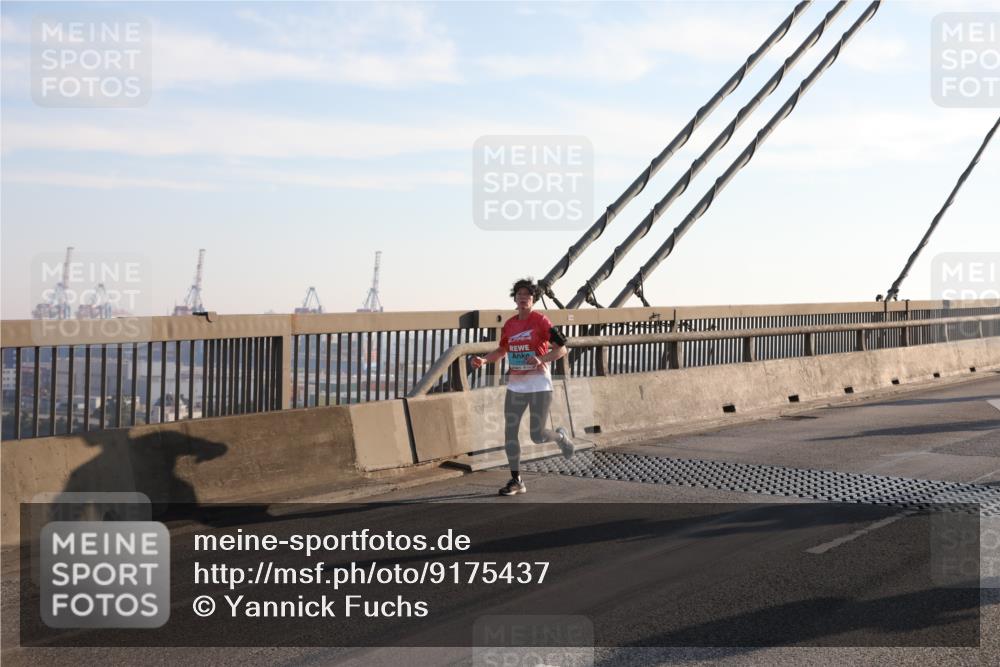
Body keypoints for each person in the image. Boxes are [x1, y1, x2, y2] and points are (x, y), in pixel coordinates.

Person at [471, 278, 575, 496]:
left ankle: (561, 438)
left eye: (527, 294)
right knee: (510, 433)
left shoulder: (541, 321)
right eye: (519, 294)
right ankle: (516, 480)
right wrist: (484, 360)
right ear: (515, 298)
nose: (523, 297)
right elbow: (501, 351)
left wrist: (541, 358)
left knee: (537, 435)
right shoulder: (509, 324)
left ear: (533, 299)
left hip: (539, 384)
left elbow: (562, 349)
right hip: (516, 386)